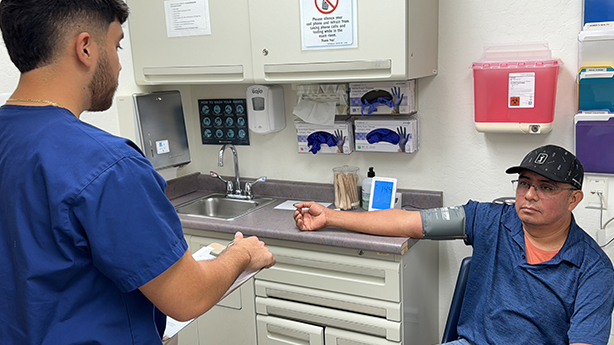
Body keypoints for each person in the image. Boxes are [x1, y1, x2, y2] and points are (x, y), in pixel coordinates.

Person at [0, 1, 275, 344]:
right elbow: (188, 296)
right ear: (85, 48)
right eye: (116, 47)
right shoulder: (107, 165)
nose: (117, 66)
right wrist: (241, 254)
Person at [294, 144, 614, 345]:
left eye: (546, 187)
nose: (529, 194)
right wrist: (331, 217)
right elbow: (409, 222)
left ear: (573, 199)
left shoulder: (594, 270)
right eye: (525, 183)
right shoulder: (490, 220)